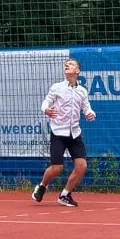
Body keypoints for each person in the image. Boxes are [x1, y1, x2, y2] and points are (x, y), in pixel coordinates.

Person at [32, 58, 96, 208]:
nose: (67, 65)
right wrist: (46, 110)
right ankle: (42, 186)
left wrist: (90, 113)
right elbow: (46, 102)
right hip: (58, 133)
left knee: (82, 166)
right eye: (65, 65)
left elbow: (86, 108)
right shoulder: (57, 87)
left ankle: (65, 195)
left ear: (77, 71)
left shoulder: (82, 91)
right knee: (57, 168)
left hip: (74, 134)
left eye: (71, 64)